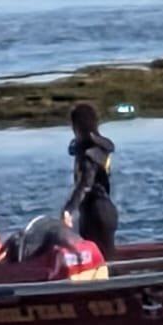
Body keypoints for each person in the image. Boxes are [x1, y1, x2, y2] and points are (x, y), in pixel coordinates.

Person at [60, 102, 117, 257]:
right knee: (104, 257)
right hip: (103, 210)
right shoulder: (99, 148)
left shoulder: (90, 153)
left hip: (96, 213)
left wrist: (68, 209)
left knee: (98, 260)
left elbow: (86, 184)